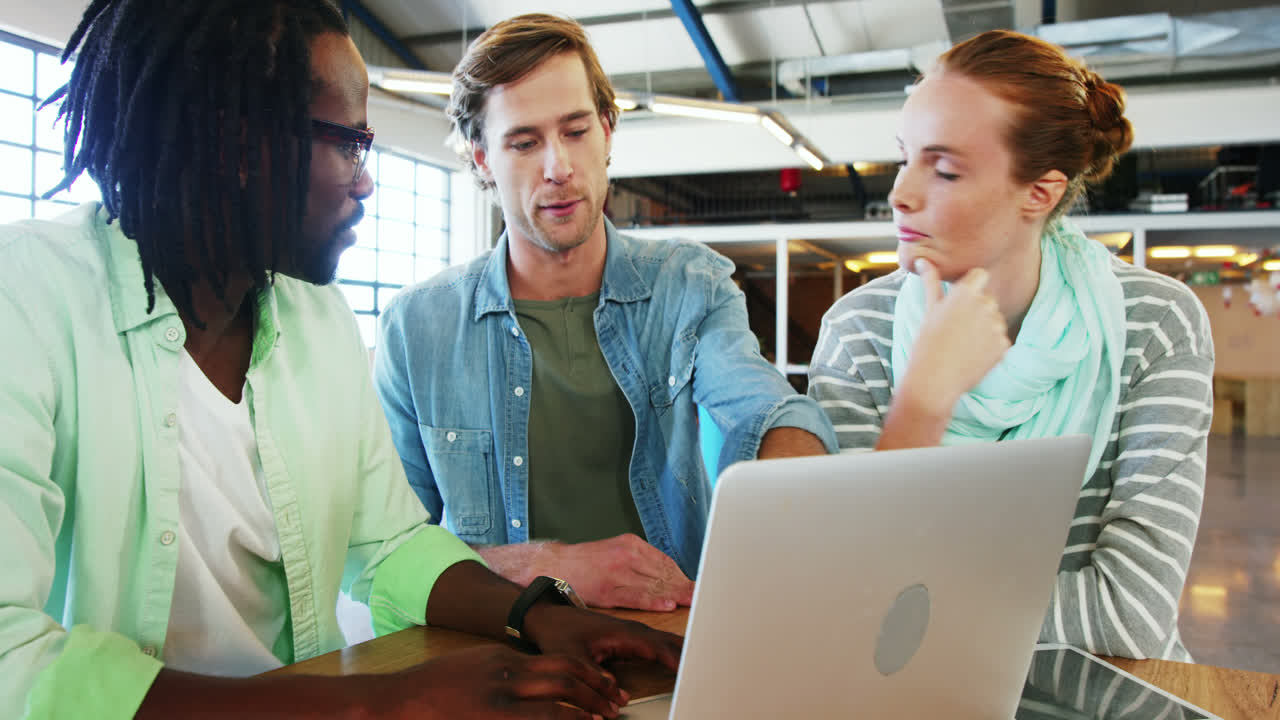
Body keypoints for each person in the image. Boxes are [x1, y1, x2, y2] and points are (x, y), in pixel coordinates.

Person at [0, 2, 681, 718]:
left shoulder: (316, 319)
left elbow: (387, 545)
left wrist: (539, 616)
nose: (364, 183)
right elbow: (12, 657)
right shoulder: (29, 301)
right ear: (238, 144)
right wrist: (374, 704)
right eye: (350, 144)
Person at [374, 13, 837, 613]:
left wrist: (792, 460)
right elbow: (385, 551)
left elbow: (758, 404)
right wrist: (545, 569)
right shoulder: (418, 329)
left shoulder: (690, 286)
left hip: (666, 638)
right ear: (483, 158)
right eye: (524, 142)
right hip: (499, 656)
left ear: (608, 131)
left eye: (575, 131)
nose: (559, 168)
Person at [807, 30, 1213, 661]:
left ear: (1040, 192)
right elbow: (843, 595)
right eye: (903, 158)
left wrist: (906, 604)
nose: (899, 194)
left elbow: (1129, 616)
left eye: (943, 169)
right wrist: (924, 397)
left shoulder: (1155, 322)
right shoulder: (858, 329)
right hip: (919, 698)